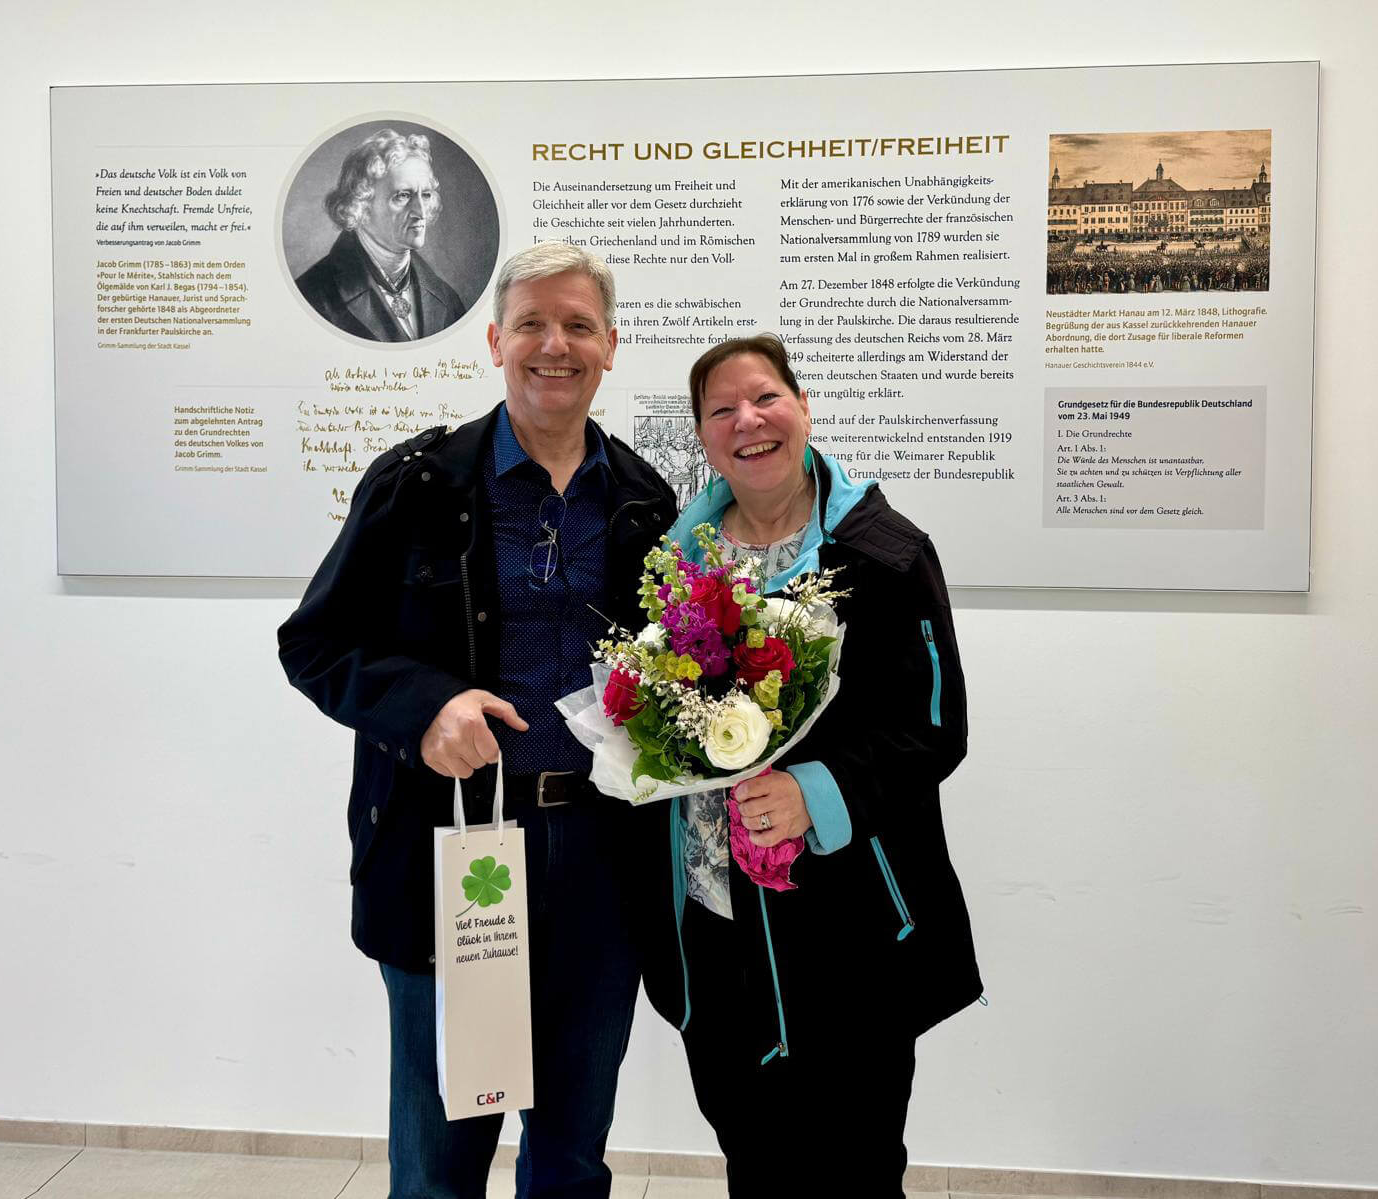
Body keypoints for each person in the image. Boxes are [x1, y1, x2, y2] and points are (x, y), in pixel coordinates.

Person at [279, 241, 677, 1198]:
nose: (555, 345)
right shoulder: (417, 485)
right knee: (440, 1167)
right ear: (496, 341)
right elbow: (315, 642)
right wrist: (426, 707)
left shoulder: (645, 502)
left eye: (578, 325)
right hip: (452, 852)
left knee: (571, 1157)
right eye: (532, 323)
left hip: (600, 862)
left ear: (611, 345)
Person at [628, 334, 981, 1196]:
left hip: (848, 928)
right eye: (722, 409)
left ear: (803, 407)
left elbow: (937, 727)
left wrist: (813, 791)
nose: (747, 421)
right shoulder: (677, 561)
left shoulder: (885, 553)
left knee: (856, 1166)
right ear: (703, 436)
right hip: (714, 923)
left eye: (765, 398)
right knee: (753, 1160)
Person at [296, 128, 468, 341]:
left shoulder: (446, 299)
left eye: (426, 195)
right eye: (403, 196)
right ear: (361, 205)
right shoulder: (313, 296)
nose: (421, 212)